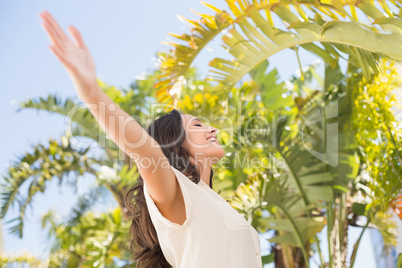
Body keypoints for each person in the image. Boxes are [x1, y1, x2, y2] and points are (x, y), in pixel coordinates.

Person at [39, 10, 263, 268]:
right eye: (198, 125)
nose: (212, 130)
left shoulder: (212, 201)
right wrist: (91, 90)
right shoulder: (177, 193)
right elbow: (144, 150)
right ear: (174, 141)